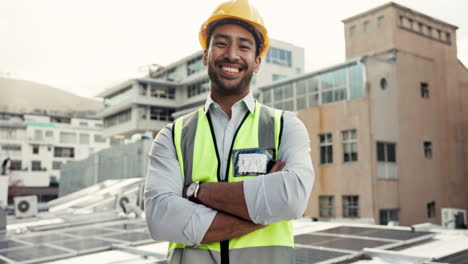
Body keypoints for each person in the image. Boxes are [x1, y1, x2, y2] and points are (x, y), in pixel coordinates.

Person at [144, 0, 314, 263]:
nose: (232, 55)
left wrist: (195, 192)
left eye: (244, 46)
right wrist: (263, 212)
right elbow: (160, 219)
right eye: (221, 43)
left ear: (257, 63)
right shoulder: (173, 136)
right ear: (205, 55)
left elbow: (292, 200)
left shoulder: (285, 126)